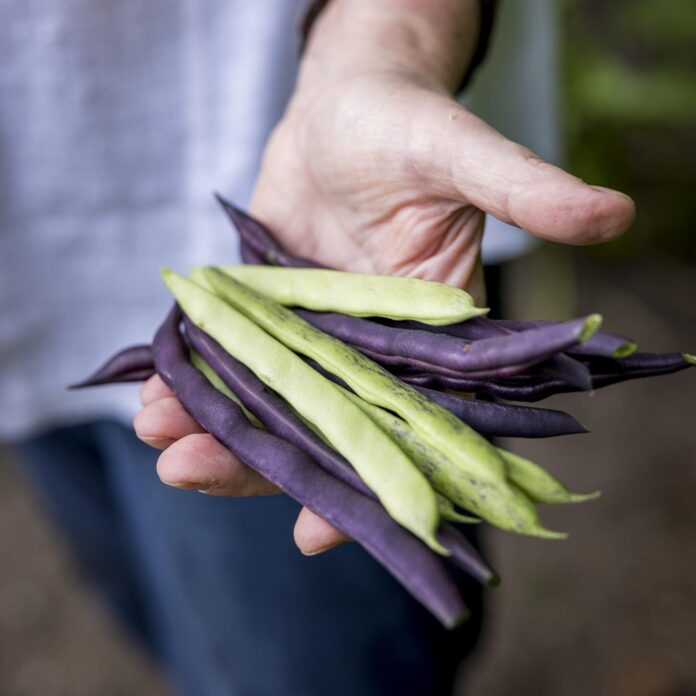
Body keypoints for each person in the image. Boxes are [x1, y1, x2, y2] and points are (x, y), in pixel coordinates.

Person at [2, 1, 634, 694]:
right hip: (25, 275)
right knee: (155, 606)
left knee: (306, 665)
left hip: (332, 174)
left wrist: (392, 41)